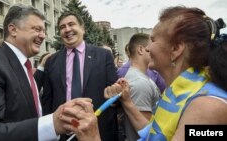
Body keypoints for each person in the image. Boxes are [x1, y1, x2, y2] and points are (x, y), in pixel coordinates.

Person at [62, 6, 227, 141]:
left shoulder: (208, 107)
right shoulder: (179, 91)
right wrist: (127, 102)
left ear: (176, 49)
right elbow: (153, 134)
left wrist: (91, 137)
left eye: (153, 40)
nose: (147, 48)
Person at [0, 4, 92, 141]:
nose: (42, 36)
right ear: (13, 30)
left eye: (44, 31)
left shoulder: (25, 65)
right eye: (37, 29)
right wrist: (52, 124)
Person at [39, 11, 118, 141]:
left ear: (82, 28)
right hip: (64, 133)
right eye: (62, 27)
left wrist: (117, 96)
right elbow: (47, 100)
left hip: (97, 132)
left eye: (71, 24)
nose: (67, 29)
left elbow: (113, 96)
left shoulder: (103, 56)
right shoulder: (52, 61)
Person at [120, 33, 161, 141]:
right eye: (152, 47)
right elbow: (146, 129)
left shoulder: (141, 78)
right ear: (141, 50)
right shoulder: (140, 83)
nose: (155, 51)